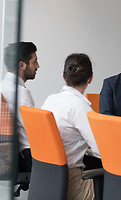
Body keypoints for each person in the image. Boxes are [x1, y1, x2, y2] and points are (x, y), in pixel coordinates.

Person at [42, 53, 99, 200]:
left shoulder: (50, 100)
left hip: (47, 177)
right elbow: (100, 148)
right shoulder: (81, 107)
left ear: (63, 76)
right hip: (71, 182)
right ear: (90, 78)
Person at [0, 42, 39, 172]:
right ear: (22, 65)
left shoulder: (0, 87)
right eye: (35, 61)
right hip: (30, 156)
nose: (38, 66)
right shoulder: (19, 92)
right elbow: (35, 132)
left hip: (19, 155)